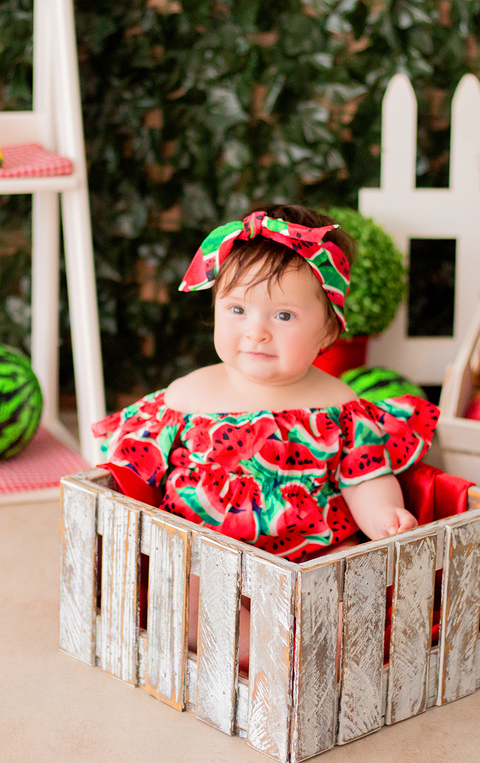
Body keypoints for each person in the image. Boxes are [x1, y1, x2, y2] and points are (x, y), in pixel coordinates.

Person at [92, 204, 442, 562]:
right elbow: (131, 471)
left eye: (284, 315)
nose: (256, 332)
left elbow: (364, 476)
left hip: (315, 553)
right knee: (186, 587)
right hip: (204, 554)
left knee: (346, 570)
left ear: (328, 331)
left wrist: (384, 515)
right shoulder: (188, 397)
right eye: (238, 310)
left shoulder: (340, 404)